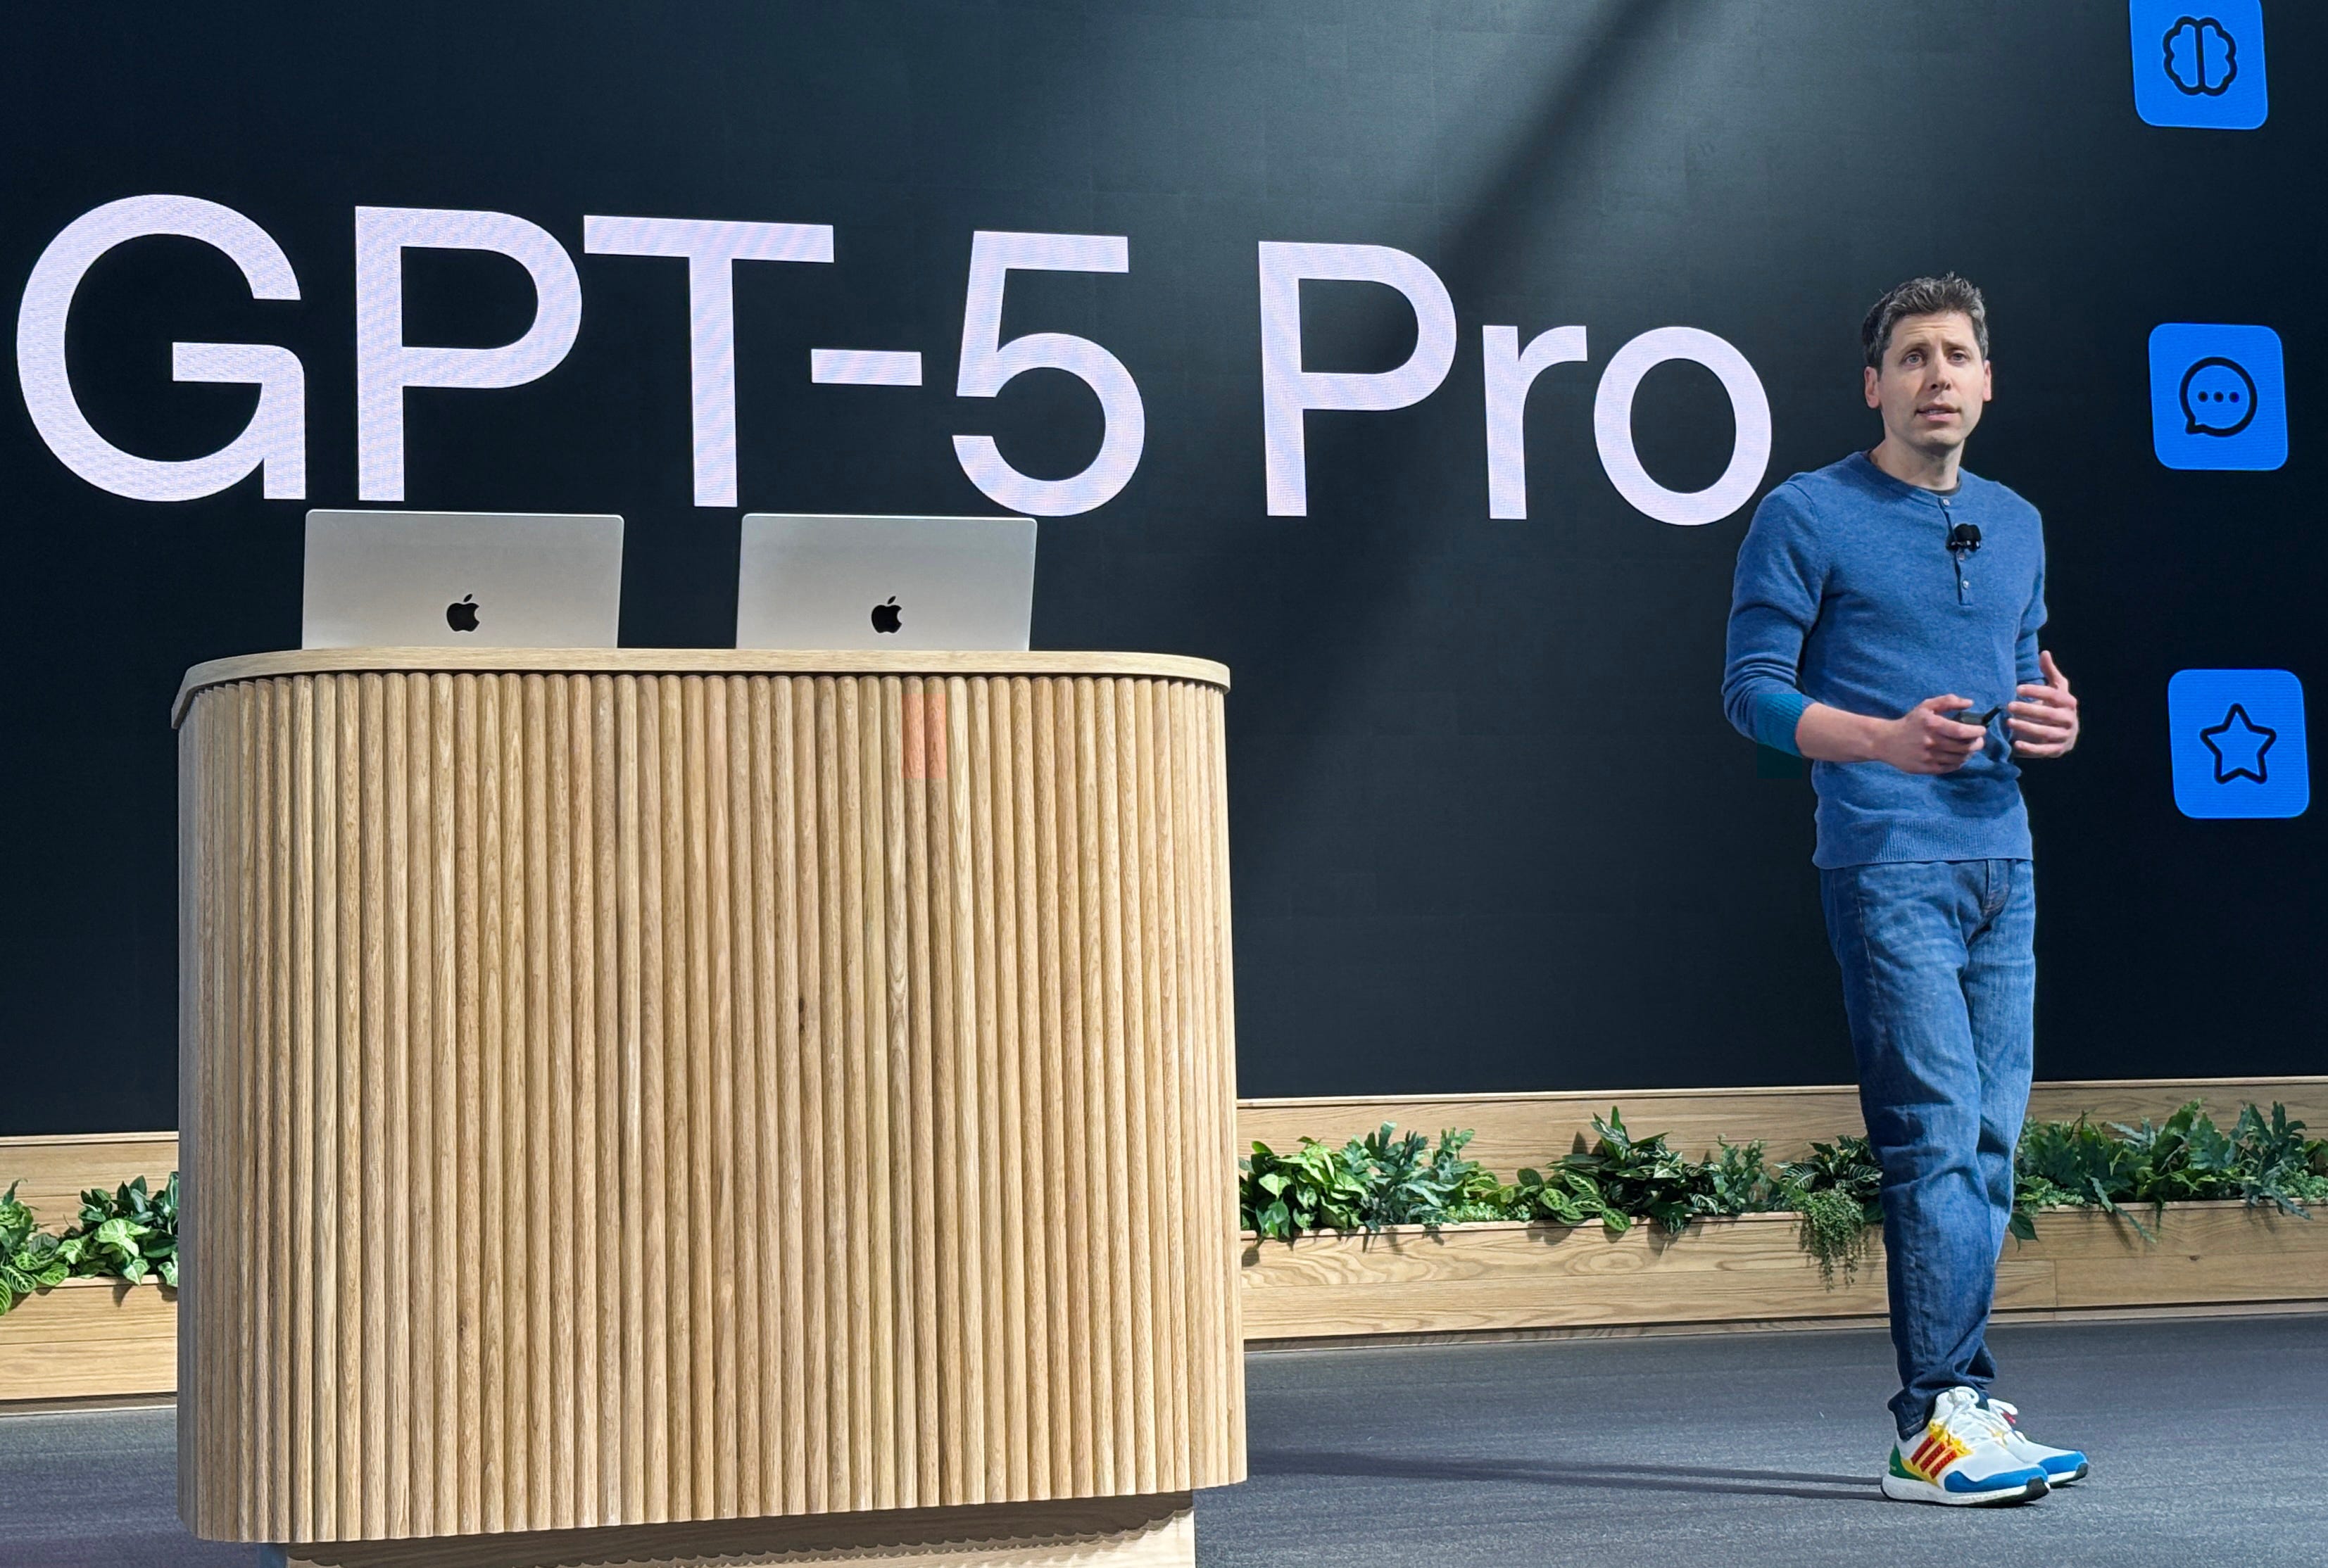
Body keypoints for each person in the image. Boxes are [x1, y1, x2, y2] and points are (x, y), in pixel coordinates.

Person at [1720, 274, 2088, 1506]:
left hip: (2005, 859)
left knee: (1989, 1146)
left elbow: (2024, 666)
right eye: (1914, 356)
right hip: (1888, 860)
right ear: (1874, 384)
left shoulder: (2019, 520)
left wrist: (2054, 718)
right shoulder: (1806, 512)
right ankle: (1931, 1422)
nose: (1938, 375)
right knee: (1933, 1137)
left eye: (1959, 355)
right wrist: (1882, 741)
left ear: (1987, 382)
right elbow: (1751, 691)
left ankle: (1968, 1398)